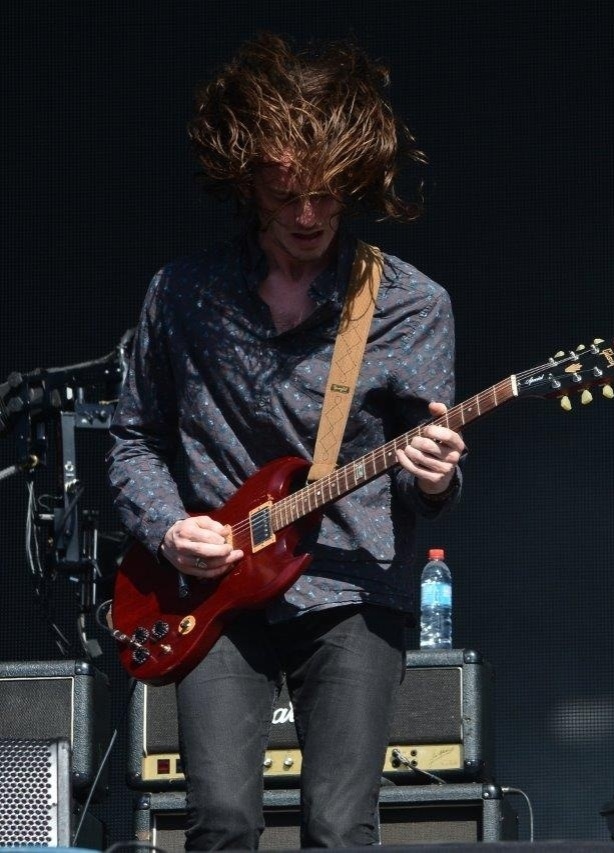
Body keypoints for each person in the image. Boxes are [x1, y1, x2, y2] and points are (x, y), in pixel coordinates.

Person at [107, 34, 463, 849]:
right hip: (213, 595)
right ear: (248, 181)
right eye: (286, 193)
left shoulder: (409, 304)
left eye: (327, 195)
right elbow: (133, 440)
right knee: (223, 820)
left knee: (338, 827)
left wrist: (434, 477)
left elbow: (423, 480)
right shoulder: (183, 294)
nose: (308, 216)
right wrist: (170, 528)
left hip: (350, 590)